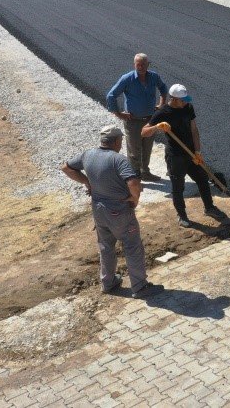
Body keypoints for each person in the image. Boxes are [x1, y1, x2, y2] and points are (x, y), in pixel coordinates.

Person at [60, 125, 161, 299]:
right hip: (119, 211)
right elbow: (133, 183)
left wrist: (87, 182)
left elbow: (66, 168)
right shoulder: (118, 160)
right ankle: (140, 286)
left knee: (106, 246)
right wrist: (134, 199)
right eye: (121, 140)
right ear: (115, 141)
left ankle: (108, 282)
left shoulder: (87, 155)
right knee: (132, 246)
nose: (121, 143)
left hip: (99, 210)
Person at [143, 84, 225, 227]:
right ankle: (182, 216)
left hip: (192, 154)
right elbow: (144, 132)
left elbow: (194, 129)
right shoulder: (163, 113)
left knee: (202, 179)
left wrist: (198, 151)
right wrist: (157, 127)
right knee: (178, 187)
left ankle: (209, 208)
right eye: (183, 100)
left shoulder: (188, 107)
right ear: (174, 99)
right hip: (175, 156)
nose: (186, 102)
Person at [107, 53, 168, 182]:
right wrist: (119, 113)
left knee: (147, 148)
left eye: (143, 64)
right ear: (134, 65)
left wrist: (162, 103)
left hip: (150, 120)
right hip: (133, 122)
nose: (141, 67)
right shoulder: (127, 79)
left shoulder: (154, 77)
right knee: (134, 151)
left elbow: (163, 88)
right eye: (138, 64)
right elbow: (111, 95)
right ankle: (134, 178)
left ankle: (145, 172)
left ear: (148, 64)